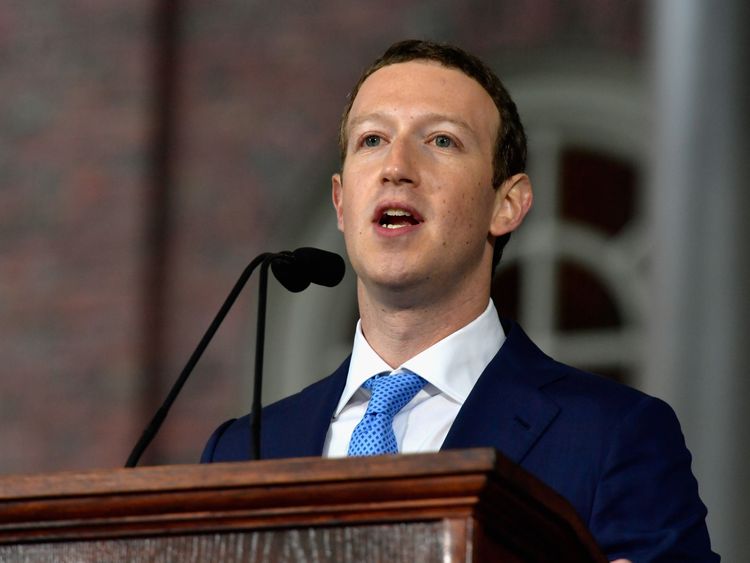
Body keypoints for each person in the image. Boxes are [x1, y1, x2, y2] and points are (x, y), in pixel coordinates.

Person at [201, 40, 718, 561]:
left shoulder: (612, 439)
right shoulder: (241, 452)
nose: (395, 167)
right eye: (373, 139)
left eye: (441, 141)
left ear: (507, 204)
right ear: (341, 201)